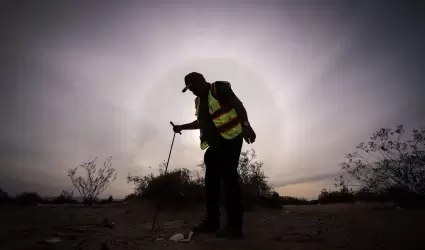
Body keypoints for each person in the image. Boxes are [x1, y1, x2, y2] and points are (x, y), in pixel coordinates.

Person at [173, 72, 256, 238]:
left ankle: (234, 226)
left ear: (202, 81)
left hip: (231, 138)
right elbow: (200, 122)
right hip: (215, 145)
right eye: (190, 89)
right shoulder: (198, 102)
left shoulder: (218, 89)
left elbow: (238, 105)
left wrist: (246, 125)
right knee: (211, 183)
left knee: (229, 178)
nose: (193, 91)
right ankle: (212, 222)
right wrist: (181, 127)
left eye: (193, 86)